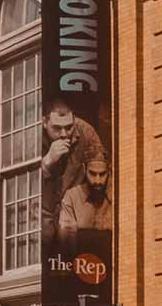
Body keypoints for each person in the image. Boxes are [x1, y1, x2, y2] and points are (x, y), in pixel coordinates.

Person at [40, 97, 105, 250]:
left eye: (69, 127)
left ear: (74, 119)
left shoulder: (86, 132)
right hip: (42, 208)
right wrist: (46, 162)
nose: (64, 134)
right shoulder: (30, 134)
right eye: (56, 128)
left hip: (73, 209)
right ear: (44, 122)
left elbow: (101, 168)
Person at [55, 153, 113, 255]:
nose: (97, 181)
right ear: (84, 169)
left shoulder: (118, 197)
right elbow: (66, 242)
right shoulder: (72, 197)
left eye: (102, 174)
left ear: (109, 172)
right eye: (92, 174)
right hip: (82, 263)